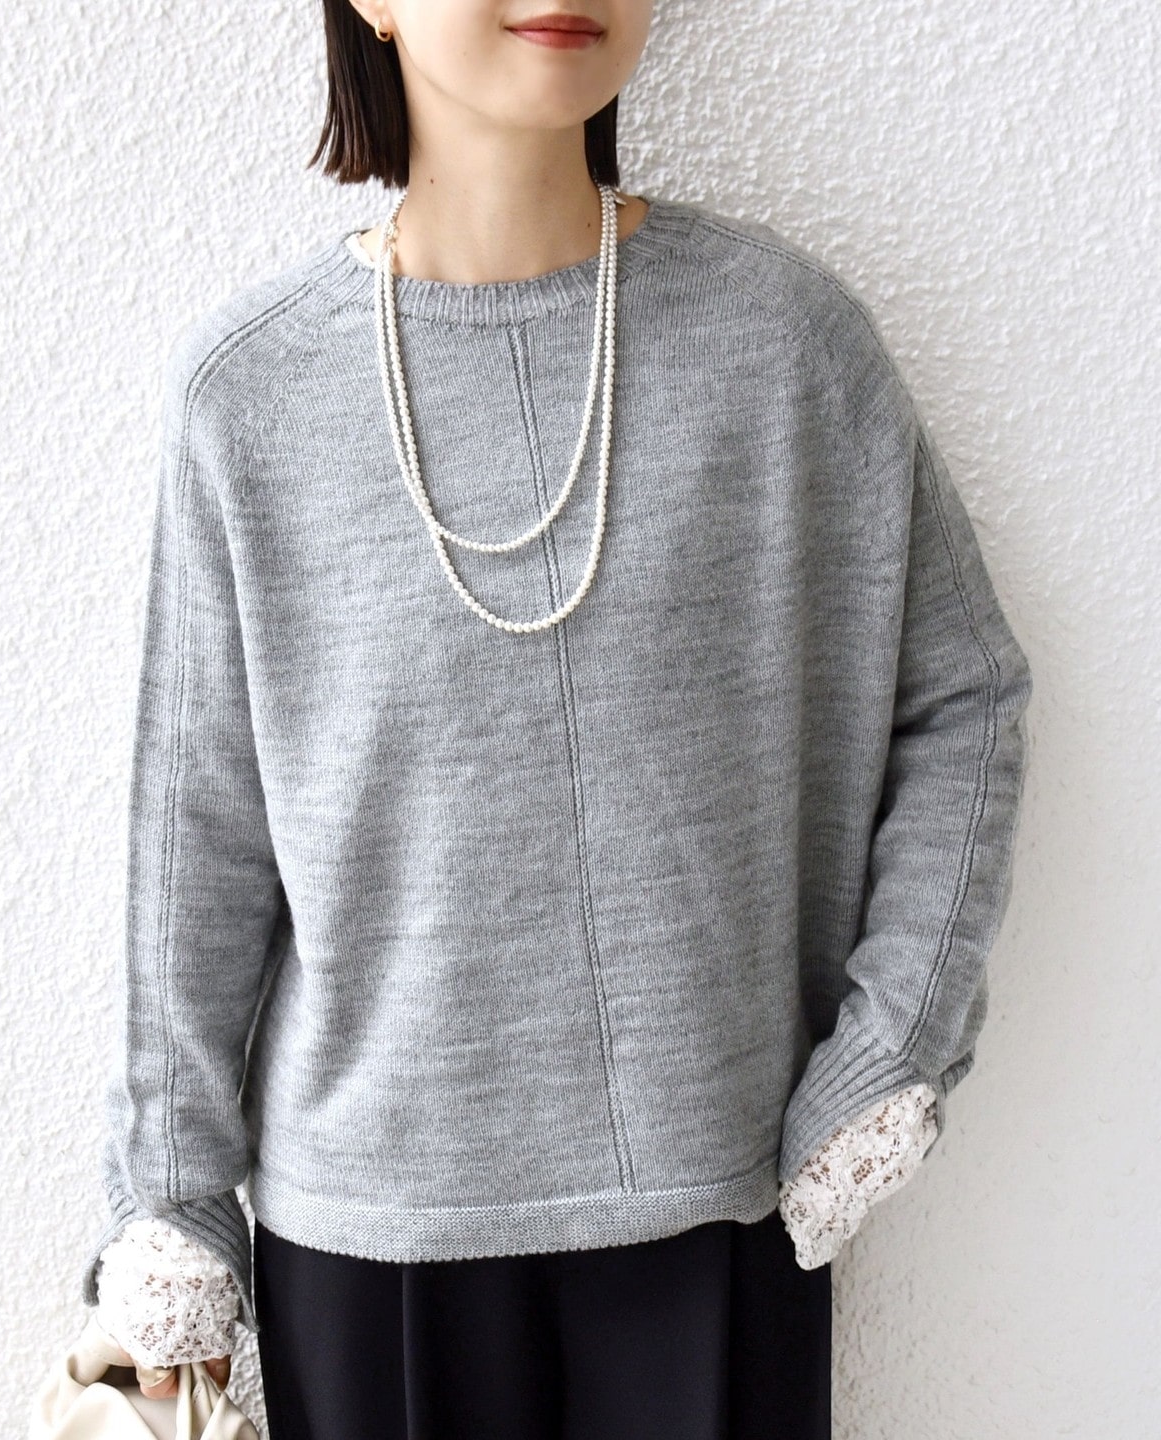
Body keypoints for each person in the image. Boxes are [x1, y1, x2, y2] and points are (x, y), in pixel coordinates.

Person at [77, 2, 1034, 1436]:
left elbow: (965, 696)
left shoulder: (785, 345)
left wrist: (887, 1054)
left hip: (717, 1203)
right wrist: (170, 1208)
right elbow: (195, 839)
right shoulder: (251, 395)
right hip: (370, 1246)